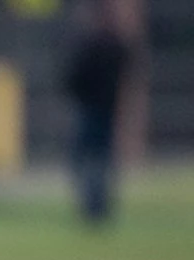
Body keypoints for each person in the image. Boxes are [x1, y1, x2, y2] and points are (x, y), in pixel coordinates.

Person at [62, 0, 132, 225]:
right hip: (107, 108)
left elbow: (73, 75)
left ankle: (91, 206)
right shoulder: (117, 44)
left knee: (85, 159)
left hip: (89, 107)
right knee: (102, 159)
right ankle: (99, 206)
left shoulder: (89, 44)